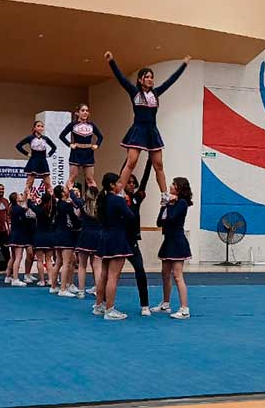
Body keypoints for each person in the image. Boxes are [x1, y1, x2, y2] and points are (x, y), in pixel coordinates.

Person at [105, 50, 191, 205]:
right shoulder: (134, 92)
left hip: (152, 131)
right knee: (131, 162)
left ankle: (164, 195)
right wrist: (111, 61)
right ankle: (119, 191)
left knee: (159, 165)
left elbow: (171, 81)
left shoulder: (156, 94)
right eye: (147, 77)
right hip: (138, 129)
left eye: (152, 77)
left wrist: (183, 65)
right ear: (140, 79)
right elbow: (121, 78)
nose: (150, 79)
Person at [93, 172, 134, 321]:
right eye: (118, 183)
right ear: (112, 185)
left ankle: (99, 305)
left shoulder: (102, 199)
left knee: (104, 274)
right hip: (117, 238)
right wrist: (126, 202)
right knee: (113, 276)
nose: (121, 185)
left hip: (105, 237)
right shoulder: (118, 200)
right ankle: (110, 309)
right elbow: (131, 217)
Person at [152, 177, 194, 320]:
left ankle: (184, 309)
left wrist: (169, 205)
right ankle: (165, 303)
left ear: (179, 188)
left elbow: (172, 218)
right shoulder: (169, 203)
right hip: (168, 240)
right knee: (165, 273)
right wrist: (165, 205)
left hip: (177, 241)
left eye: (173, 184)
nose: (170, 186)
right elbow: (159, 222)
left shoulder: (181, 203)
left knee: (177, 275)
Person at [123, 161, 153, 316]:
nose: (131, 184)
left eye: (133, 182)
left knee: (140, 270)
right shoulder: (120, 197)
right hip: (120, 240)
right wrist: (129, 159)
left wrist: (149, 161)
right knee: (111, 274)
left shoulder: (137, 198)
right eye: (128, 182)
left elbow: (145, 180)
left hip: (132, 241)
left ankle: (145, 305)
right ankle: (103, 303)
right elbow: (123, 172)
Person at [59, 104, 103, 189]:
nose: (85, 112)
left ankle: (93, 197)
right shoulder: (73, 124)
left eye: (87, 111)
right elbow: (62, 136)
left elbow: (100, 136)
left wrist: (97, 145)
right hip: (76, 152)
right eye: (82, 110)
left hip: (88, 152)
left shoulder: (91, 125)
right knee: (72, 178)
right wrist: (70, 144)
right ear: (77, 113)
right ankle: (68, 196)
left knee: (90, 179)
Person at [73, 185, 102, 300]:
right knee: (97, 266)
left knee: (82, 265)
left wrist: (70, 186)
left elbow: (73, 198)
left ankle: (81, 291)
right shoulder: (101, 206)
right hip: (98, 235)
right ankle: (99, 291)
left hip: (85, 235)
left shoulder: (83, 204)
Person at [15, 121, 57, 197]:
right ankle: (25, 200)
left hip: (43, 161)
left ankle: (52, 200)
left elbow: (54, 147)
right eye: (38, 126)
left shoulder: (45, 138)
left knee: (48, 183)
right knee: (29, 183)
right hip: (33, 160)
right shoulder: (30, 138)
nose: (40, 128)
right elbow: (18, 146)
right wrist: (27, 153)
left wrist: (49, 154)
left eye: (42, 126)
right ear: (34, 128)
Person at [52, 185, 80, 298]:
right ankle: (63, 288)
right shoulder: (66, 205)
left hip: (58, 234)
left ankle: (53, 286)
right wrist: (79, 222)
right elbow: (73, 219)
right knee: (66, 263)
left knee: (59, 262)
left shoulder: (57, 204)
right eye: (65, 189)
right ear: (63, 193)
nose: (67, 190)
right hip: (66, 235)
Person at [29, 192, 56, 289]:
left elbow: (30, 205)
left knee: (40, 260)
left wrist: (29, 197)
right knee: (49, 260)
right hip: (49, 236)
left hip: (39, 236)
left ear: (42, 200)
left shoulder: (39, 210)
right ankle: (50, 279)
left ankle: (42, 280)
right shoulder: (52, 210)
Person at [6, 192, 32, 286]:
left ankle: (8, 276)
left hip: (13, 234)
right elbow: (24, 221)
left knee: (13, 257)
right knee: (18, 257)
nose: (21, 196)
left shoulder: (12, 208)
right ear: (16, 199)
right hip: (18, 235)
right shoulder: (19, 209)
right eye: (19, 195)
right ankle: (15, 279)